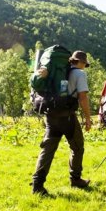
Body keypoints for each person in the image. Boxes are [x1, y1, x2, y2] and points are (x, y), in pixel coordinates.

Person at [32, 50, 92, 195]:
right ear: (81, 62)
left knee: (47, 149)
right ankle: (76, 179)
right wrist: (88, 118)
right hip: (67, 117)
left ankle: (37, 185)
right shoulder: (79, 73)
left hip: (51, 115)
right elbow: (83, 97)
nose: (84, 67)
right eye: (84, 64)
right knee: (77, 147)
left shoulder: (59, 70)